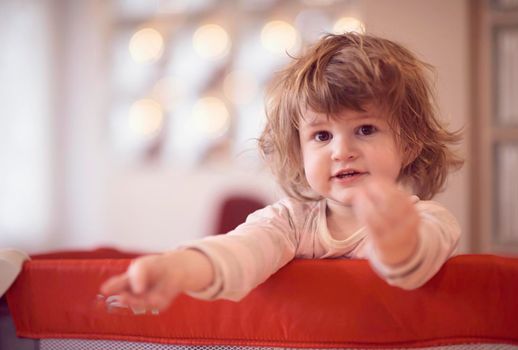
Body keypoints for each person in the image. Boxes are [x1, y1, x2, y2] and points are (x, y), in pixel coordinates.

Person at [101, 32, 463, 311]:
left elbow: (416, 262)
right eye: (321, 135)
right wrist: (176, 269)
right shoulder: (290, 222)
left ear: (410, 143)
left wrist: (397, 242)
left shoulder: (426, 220)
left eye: (365, 129)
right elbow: (241, 252)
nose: (342, 151)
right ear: (299, 150)